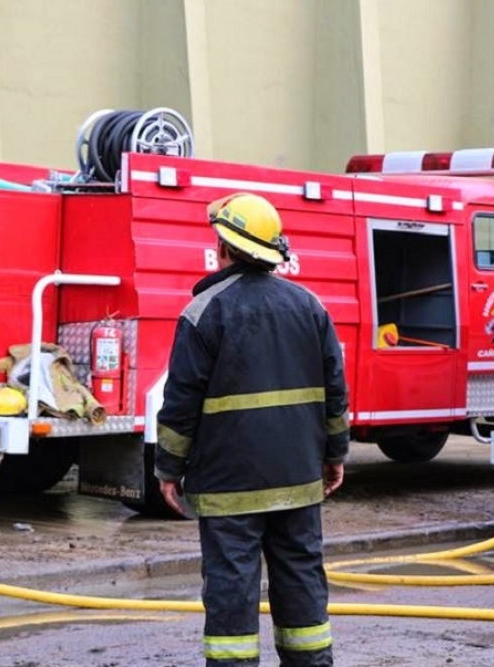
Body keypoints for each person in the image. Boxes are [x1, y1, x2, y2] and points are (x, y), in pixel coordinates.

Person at [155, 192, 350, 666]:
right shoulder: (310, 306)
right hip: (298, 480)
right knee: (302, 576)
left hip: (229, 488)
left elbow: (181, 403)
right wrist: (335, 454)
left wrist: (168, 469)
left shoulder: (203, 313)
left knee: (231, 585)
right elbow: (335, 392)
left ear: (222, 247)